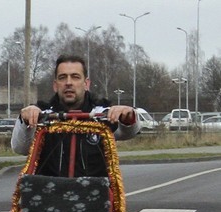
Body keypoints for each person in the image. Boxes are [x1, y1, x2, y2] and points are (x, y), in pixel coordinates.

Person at [11, 54, 140, 177]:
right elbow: (20, 148)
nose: (69, 83)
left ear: (86, 84)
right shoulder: (43, 115)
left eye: (75, 77)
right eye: (62, 77)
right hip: (50, 194)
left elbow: (128, 132)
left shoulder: (102, 113)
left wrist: (128, 116)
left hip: (95, 194)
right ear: (55, 85)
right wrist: (25, 119)